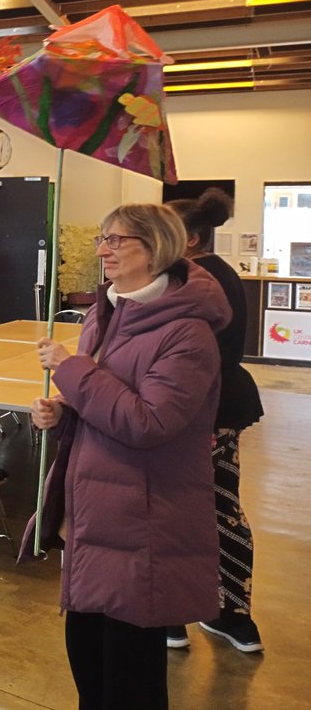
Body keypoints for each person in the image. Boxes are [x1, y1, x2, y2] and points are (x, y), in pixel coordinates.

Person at [27, 203, 228, 709]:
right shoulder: (105, 312)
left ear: (156, 247)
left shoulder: (188, 333)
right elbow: (99, 400)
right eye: (102, 238)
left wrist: (73, 372)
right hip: (92, 518)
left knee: (130, 680)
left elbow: (149, 423)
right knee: (88, 663)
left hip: (142, 524)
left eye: (116, 240)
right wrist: (61, 410)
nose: (102, 250)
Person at [166, 189, 265, 652]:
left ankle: (173, 615)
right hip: (224, 406)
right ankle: (233, 616)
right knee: (222, 507)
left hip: (196, 410)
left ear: (188, 239)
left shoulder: (190, 277)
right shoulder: (220, 272)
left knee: (176, 509)